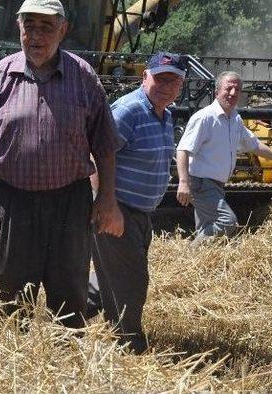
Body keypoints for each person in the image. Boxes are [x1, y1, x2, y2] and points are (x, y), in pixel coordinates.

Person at [0, 0, 123, 329]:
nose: (36, 35)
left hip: (69, 204)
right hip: (12, 202)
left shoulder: (84, 77)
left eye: (46, 26)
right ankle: (10, 365)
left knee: (70, 294)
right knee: (7, 294)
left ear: (63, 30)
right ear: (19, 28)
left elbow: (104, 145)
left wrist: (107, 199)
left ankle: (64, 362)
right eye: (29, 25)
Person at [92, 52, 186, 353]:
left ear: (181, 86)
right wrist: (107, 207)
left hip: (141, 214)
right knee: (132, 282)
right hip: (118, 209)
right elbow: (95, 158)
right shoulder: (129, 111)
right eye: (160, 78)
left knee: (111, 276)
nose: (165, 86)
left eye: (173, 81)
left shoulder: (165, 115)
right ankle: (129, 345)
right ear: (145, 76)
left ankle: (69, 317)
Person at [176, 71, 272, 244]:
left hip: (215, 184)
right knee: (227, 222)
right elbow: (183, 150)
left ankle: (199, 262)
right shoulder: (204, 117)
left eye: (237, 89)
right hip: (200, 182)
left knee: (208, 227)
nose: (232, 93)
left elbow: (255, 145)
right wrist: (184, 183)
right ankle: (191, 255)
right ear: (217, 91)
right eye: (228, 88)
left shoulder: (234, 119)